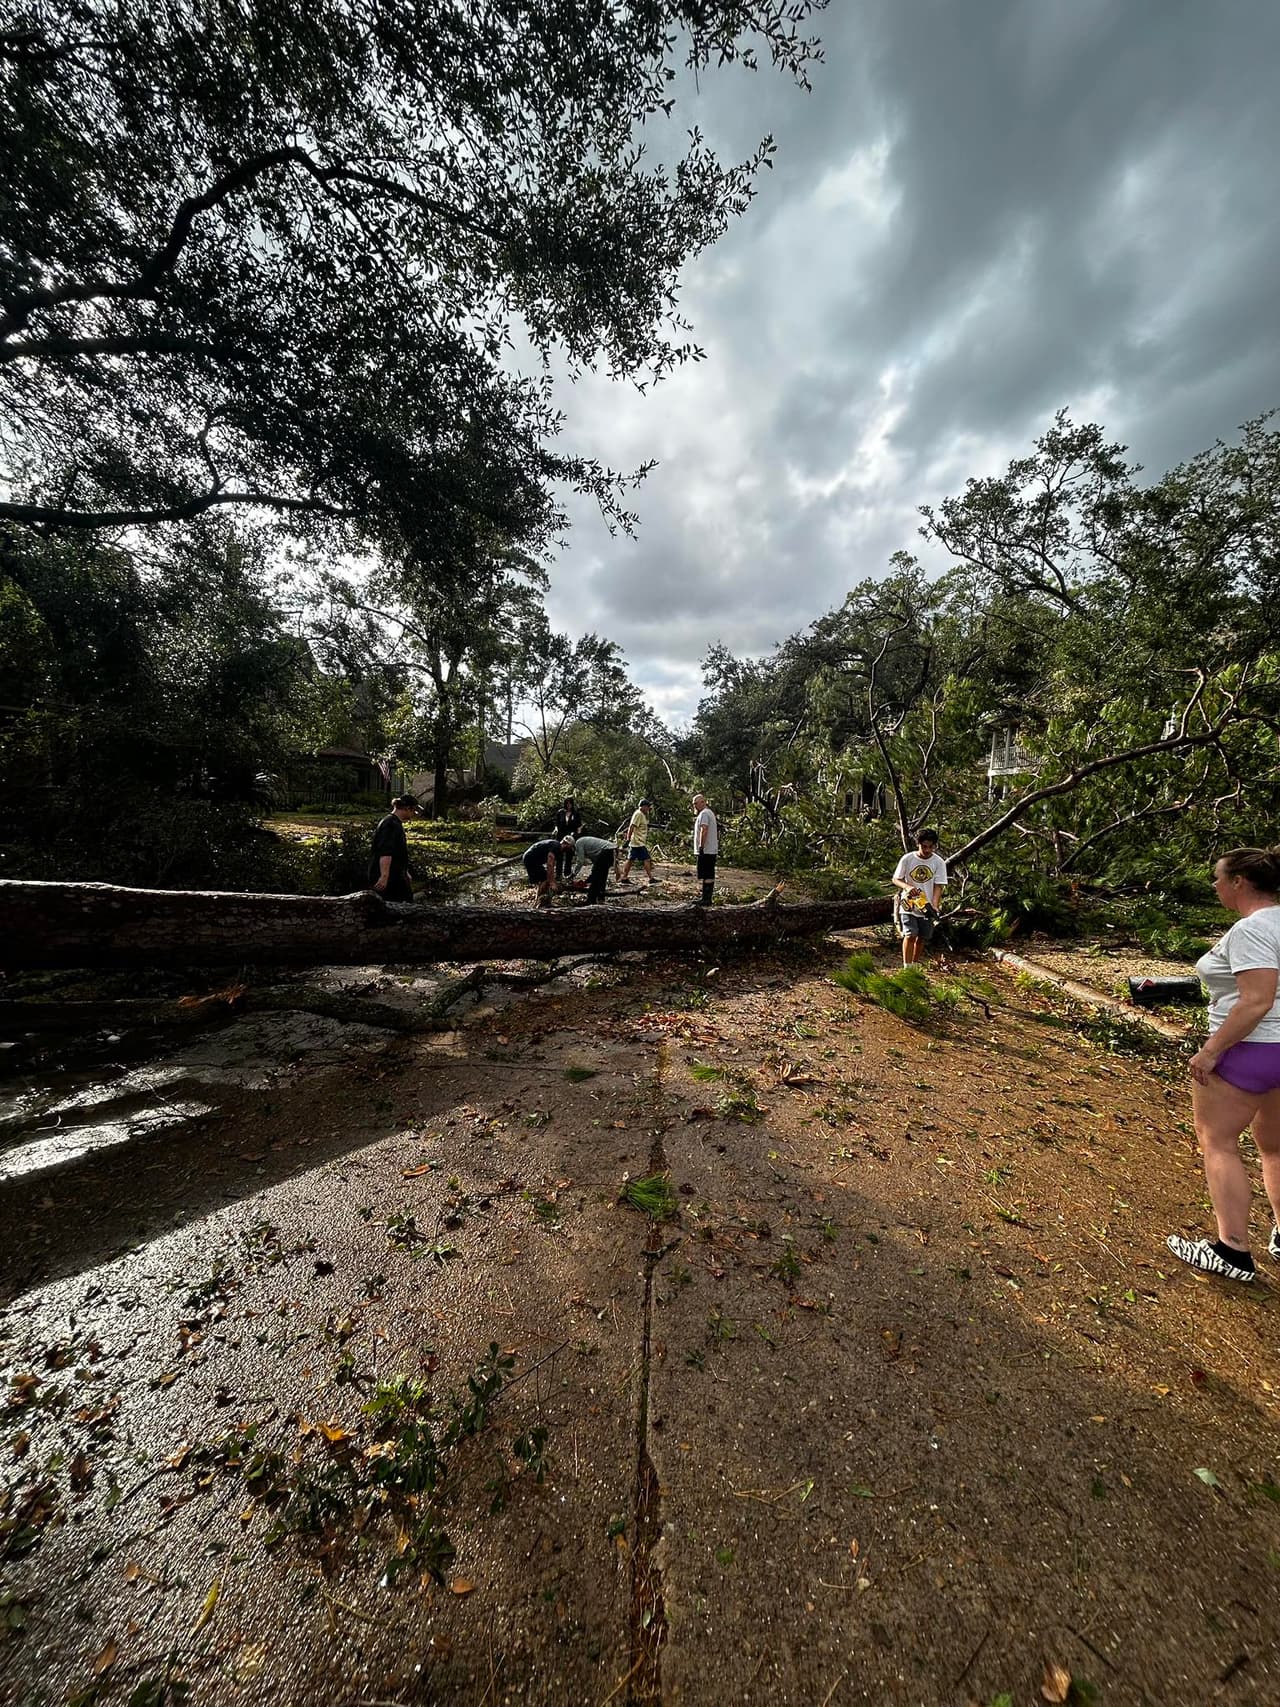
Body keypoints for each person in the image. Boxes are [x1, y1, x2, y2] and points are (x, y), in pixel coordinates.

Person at [1166, 845, 1280, 1283]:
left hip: (1249, 1050)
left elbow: (1257, 1001)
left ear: (1239, 882)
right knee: (1274, 1145)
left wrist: (1211, 1050)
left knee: (1218, 1142)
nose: (1214, 886)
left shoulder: (1253, 930)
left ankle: (1232, 1249)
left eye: (1218, 877)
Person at [891, 830, 947, 965]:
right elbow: (896, 879)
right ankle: (907, 967)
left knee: (922, 937)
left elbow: (938, 886)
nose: (927, 850)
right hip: (909, 904)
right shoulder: (907, 859)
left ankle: (915, 964)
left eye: (930, 847)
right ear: (918, 844)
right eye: (924, 846)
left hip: (926, 906)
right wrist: (908, 887)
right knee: (910, 935)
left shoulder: (938, 862)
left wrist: (934, 904)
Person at [368, 794, 420, 901]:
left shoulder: (395, 823)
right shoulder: (390, 824)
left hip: (397, 874)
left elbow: (398, 852)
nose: (414, 814)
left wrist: (405, 872)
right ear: (407, 808)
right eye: (413, 810)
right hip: (390, 877)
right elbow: (386, 852)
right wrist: (384, 876)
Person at [523, 834, 574, 907]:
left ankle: (540, 902)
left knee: (544, 879)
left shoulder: (557, 848)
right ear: (567, 844)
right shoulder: (556, 846)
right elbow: (550, 864)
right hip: (530, 859)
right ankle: (537, 903)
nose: (570, 850)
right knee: (544, 879)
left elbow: (553, 866)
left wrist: (552, 878)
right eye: (570, 847)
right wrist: (552, 881)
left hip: (533, 859)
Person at [618, 798, 659, 886]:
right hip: (637, 842)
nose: (649, 809)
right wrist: (628, 839)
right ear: (643, 807)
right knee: (646, 859)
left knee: (630, 860)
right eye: (648, 807)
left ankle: (624, 877)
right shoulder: (638, 814)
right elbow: (631, 827)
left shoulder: (642, 815)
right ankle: (650, 878)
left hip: (638, 842)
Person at [567, 832, 616, 903]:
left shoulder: (578, 843)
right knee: (602, 876)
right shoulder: (585, 842)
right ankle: (601, 897)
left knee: (596, 879)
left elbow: (580, 861)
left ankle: (591, 900)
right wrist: (589, 878)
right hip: (611, 849)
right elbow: (595, 860)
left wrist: (573, 874)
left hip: (606, 851)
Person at [692, 792, 718, 906]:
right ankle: (706, 897)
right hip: (710, 849)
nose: (694, 806)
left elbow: (704, 830)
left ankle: (706, 899)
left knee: (707, 873)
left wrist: (701, 846)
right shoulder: (709, 813)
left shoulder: (704, 814)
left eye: (696, 803)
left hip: (706, 850)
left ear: (703, 802)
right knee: (708, 874)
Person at [552, 795, 583, 881]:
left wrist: (577, 833)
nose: (569, 805)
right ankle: (558, 874)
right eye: (567, 803)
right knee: (559, 855)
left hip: (570, 836)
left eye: (570, 803)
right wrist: (556, 829)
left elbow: (579, 825)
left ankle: (567, 874)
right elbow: (556, 824)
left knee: (569, 855)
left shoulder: (576, 813)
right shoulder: (560, 812)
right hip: (561, 835)